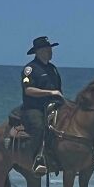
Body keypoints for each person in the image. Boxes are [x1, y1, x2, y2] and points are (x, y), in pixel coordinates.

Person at [21, 35, 64, 175]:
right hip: (35, 107)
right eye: (47, 49)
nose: (50, 52)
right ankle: (37, 159)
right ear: (38, 51)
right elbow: (28, 90)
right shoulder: (30, 69)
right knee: (39, 127)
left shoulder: (53, 69)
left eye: (50, 49)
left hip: (55, 105)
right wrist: (50, 93)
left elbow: (59, 90)